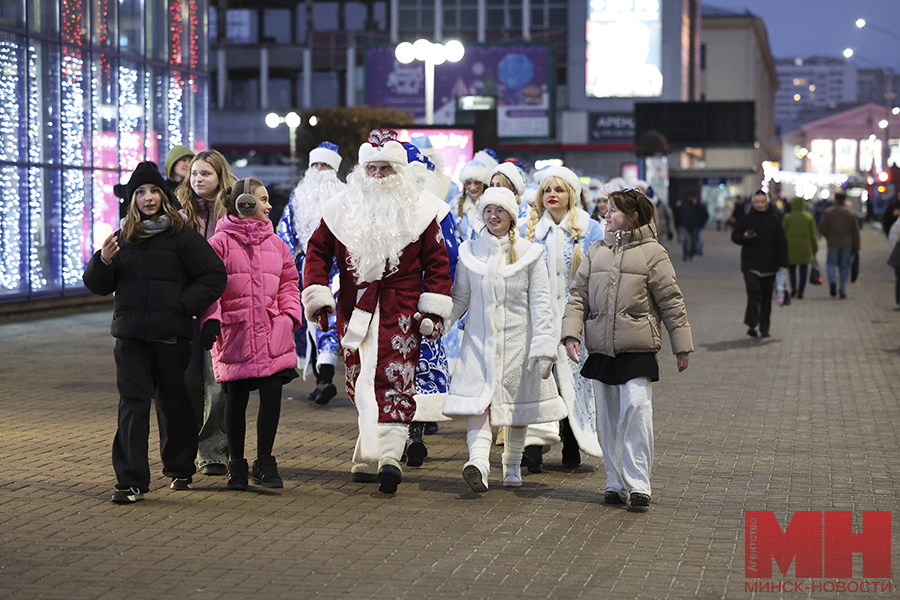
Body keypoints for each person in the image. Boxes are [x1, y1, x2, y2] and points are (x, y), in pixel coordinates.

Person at [302, 129, 453, 494]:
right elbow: (317, 253)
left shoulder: (421, 212)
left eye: (387, 169)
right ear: (361, 171)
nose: (379, 176)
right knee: (359, 382)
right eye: (373, 169)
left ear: (399, 173)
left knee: (395, 380)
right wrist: (319, 296)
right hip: (355, 308)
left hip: (401, 309)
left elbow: (437, 263)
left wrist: (432, 307)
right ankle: (368, 451)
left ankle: (388, 458)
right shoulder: (340, 208)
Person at [82, 161, 227, 504]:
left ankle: (179, 467)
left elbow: (214, 275)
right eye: (141, 193)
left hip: (172, 337)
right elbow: (96, 284)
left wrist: (183, 303)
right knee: (132, 405)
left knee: (174, 404)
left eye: (153, 191)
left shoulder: (182, 236)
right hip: (131, 339)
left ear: (164, 196)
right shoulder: (121, 239)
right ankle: (130, 480)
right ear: (132, 199)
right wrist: (102, 261)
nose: (148, 198)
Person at [562, 187, 693, 512]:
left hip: (638, 347)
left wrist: (682, 346)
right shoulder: (596, 250)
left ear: (632, 216)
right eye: (606, 209)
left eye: (613, 210)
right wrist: (571, 334)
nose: (606, 214)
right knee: (607, 420)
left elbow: (671, 302)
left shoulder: (654, 253)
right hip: (602, 348)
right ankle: (615, 482)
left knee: (636, 407)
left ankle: (639, 485)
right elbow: (578, 295)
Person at [445, 187, 566, 491]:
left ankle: (512, 464)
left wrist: (543, 343)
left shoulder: (529, 252)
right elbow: (459, 297)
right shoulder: (469, 252)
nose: (493, 216)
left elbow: (540, 302)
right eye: (488, 210)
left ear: (511, 215)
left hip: (519, 342)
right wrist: (438, 323)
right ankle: (478, 463)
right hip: (478, 342)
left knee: (517, 406)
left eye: (499, 210)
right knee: (479, 404)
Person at [201, 177, 302, 490]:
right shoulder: (219, 243)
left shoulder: (276, 243)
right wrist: (213, 320)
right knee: (237, 397)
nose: (269, 206)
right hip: (236, 333)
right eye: (262, 200)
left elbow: (289, 283)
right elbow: (210, 287)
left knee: (272, 392)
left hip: (272, 332)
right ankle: (238, 465)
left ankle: (265, 461)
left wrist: (288, 316)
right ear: (244, 203)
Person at [522, 166, 604, 472]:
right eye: (547, 190)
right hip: (538, 318)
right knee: (540, 380)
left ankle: (573, 441)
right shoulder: (529, 229)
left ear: (571, 194)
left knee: (575, 381)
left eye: (558, 189)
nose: (552, 195)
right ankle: (536, 446)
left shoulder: (590, 228)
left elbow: (599, 277)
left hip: (576, 318)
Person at [176, 149, 238, 476]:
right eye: (195, 174)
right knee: (189, 383)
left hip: (224, 305)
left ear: (219, 177)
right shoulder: (179, 211)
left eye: (205, 174)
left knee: (218, 382)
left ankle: (213, 452)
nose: (198, 179)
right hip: (187, 306)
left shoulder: (234, 211)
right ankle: (188, 450)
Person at [401, 143, 460, 466]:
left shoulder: (439, 211)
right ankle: (397, 435)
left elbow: (450, 258)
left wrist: (438, 300)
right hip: (390, 304)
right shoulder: (379, 209)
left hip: (424, 304)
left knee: (422, 370)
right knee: (390, 372)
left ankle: (414, 434)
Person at [277, 142, 345, 404]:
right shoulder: (299, 196)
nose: (319, 170)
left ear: (333, 168)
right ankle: (321, 380)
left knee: (328, 320)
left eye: (324, 165)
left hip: (337, 269)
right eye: (315, 165)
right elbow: (286, 232)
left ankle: (326, 377)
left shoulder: (344, 196)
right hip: (305, 267)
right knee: (309, 321)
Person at [731, 191, 788, 338]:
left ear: (767, 203)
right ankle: (752, 324)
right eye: (757, 202)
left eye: (762, 202)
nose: (760, 205)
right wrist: (744, 236)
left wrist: (782, 264)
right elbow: (735, 236)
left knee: (766, 297)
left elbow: (782, 243)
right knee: (753, 292)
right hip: (750, 264)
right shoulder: (747, 219)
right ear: (753, 203)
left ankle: (764, 327)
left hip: (769, 265)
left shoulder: (774, 220)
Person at [818, 192, 861, 299]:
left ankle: (832, 282)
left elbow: (822, 227)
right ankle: (842, 289)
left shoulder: (829, 212)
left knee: (831, 264)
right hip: (847, 243)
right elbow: (855, 231)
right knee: (844, 267)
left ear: (835, 200)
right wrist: (857, 245)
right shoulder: (850, 213)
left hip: (832, 243)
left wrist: (828, 235)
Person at [782, 197, 817, 300]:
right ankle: (801, 291)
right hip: (805, 248)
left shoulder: (788, 217)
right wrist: (814, 248)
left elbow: (783, 233)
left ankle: (793, 289)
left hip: (791, 248)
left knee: (791, 270)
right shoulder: (808, 217)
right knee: (803, 270)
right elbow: (812, 235)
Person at [678, 192, 708, 261]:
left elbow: (704, 214)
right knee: (686, 240)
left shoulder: (698, 206)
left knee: (693, 241)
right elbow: (679, 214)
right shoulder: (684, 205)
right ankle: (686, 255)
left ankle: (691, 254)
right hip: (686, 225)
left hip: (695, 226)